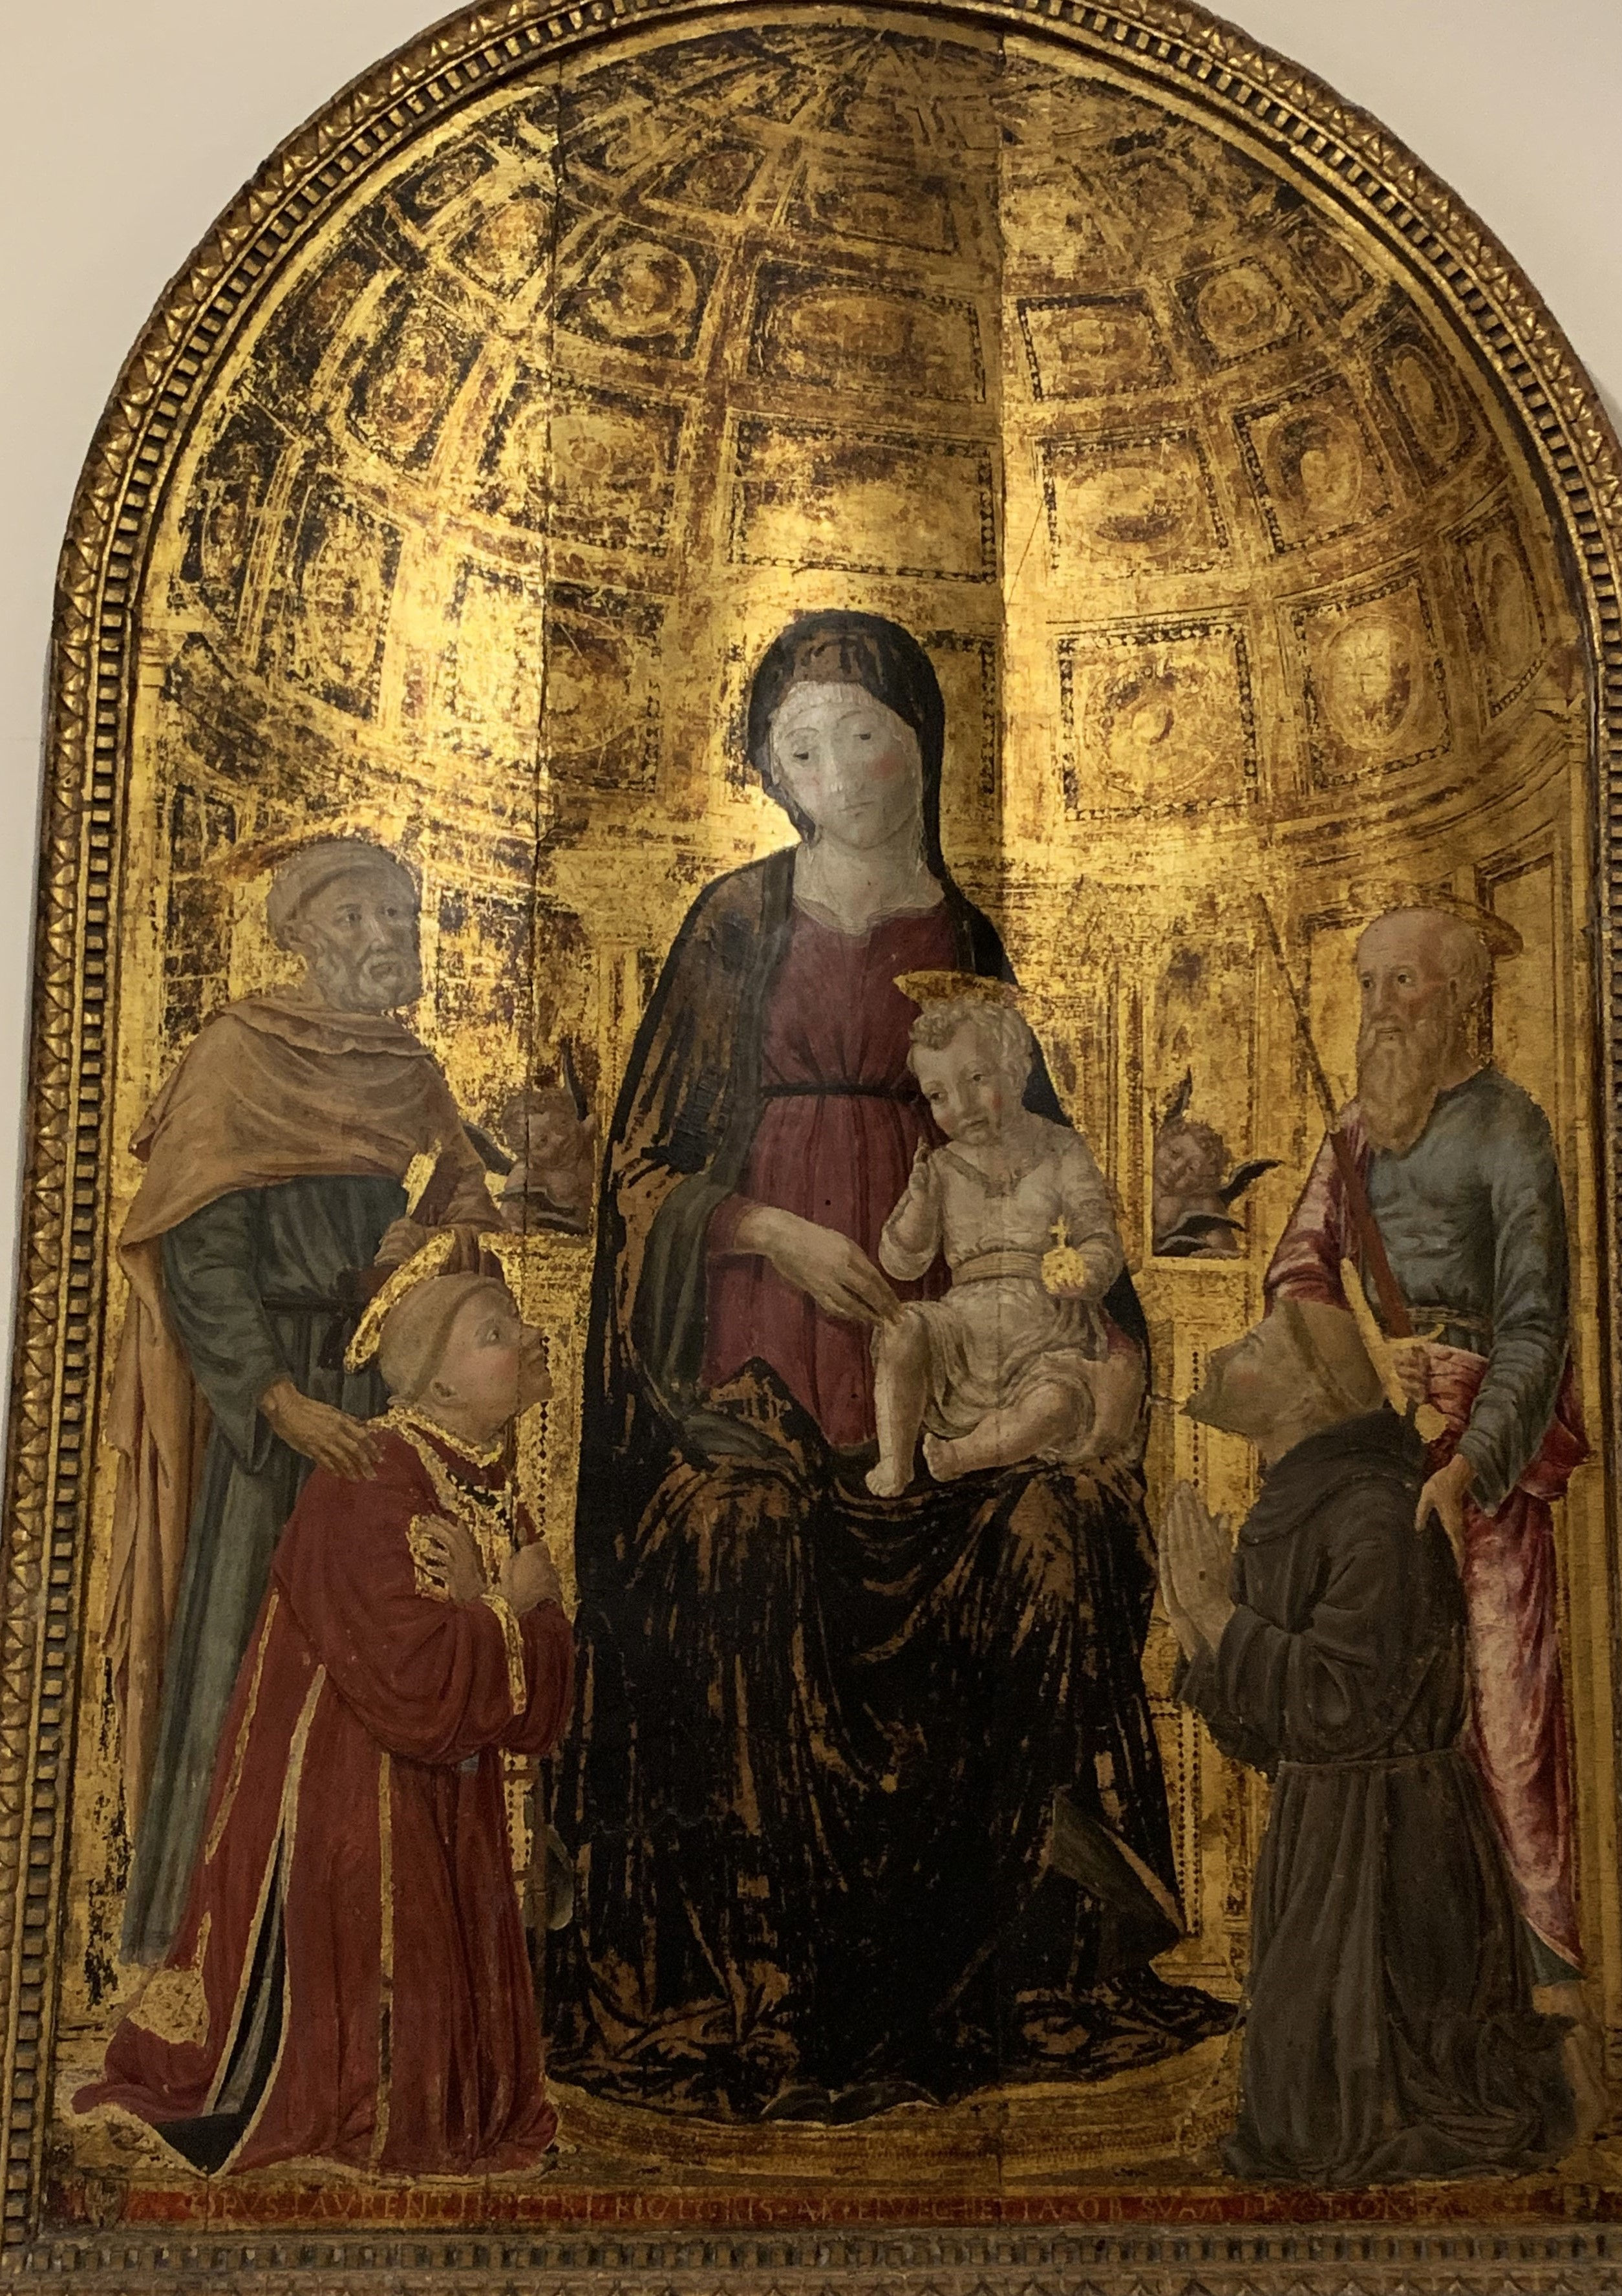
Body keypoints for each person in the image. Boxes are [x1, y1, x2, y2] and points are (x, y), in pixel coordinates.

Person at [542, 610, 1226, 2121]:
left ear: (922, 744)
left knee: (1044, 1538)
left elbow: (1058, 1174)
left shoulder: (969, 940)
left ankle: (980, 1967)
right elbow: (640, 1173)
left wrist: (1104, 1348)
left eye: (863, 733)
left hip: (963, 1358)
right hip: (752, 1359)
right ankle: (767, 1986)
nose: (835, 769)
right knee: (739, 1544)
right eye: (799, 747)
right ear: (767, 773)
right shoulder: (732, 921)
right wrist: (763, 1227)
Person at [76, 1268, 573, 2176]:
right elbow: (411, 1680)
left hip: (443, 1802)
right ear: (438, 1381)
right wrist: (505, 1607)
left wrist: (499, 1610)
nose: (530, 1338)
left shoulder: (485, 1482)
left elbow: (548, 1687)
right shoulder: (370, 1474)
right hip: (353, 1809)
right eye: (496, 1332)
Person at [108, 836, 497, 1963]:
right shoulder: (239, 1054)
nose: (384, 937)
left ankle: (357, 1929)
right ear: (301, 933)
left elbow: (466, 1219)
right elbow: (201, 1260)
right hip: (276, 1412)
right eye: (356, 916)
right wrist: (276, 1401)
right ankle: (216, 1936)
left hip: (381, 1396)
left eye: (398, 916)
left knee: (383, 1645)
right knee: (253, 1639)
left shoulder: (411, 1070)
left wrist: (424, 1247)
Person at [1160, 1298, 1575, 2186]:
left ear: (1307, 1393)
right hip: (1325, 1831)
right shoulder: (1292, 1503)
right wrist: (1202, 1638)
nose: (1228, 1349)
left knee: (1343, 2118)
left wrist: (1219, 1618)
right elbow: (1272, 1734)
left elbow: (1340, 1706)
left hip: (1392, 1852)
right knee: (1299, 2105)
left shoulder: (1374, 1515)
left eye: (1256, 1341)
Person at [1263, 905, 1590, 2023]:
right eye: (1368, 984)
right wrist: (1366, 1356)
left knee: (1499, 1704)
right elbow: (1295, 1275)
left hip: (1482, 1449)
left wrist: (1466, 1469)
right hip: (1375, 1439)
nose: (1379, 1009)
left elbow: (1537, 1328)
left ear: (1463, 1000)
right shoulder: (1350, 1135)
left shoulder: (1508, 1127)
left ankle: (1537, 1983)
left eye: (1404, 983)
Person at [870, 988, 1135, 1495]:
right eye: (938, 1095)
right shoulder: (941, 1167)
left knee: (1056, 1404)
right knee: (902, 1329)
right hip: (960, 1332)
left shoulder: (1061, 1149)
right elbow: (901, 1262)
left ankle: (961, 1455)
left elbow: (1099, 1234)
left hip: (1046, 1332)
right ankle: (894, 1461)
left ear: (1015, 1069)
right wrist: (919, 1204)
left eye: (976, 1079)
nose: (962, 1105)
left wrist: (1083, 1270)